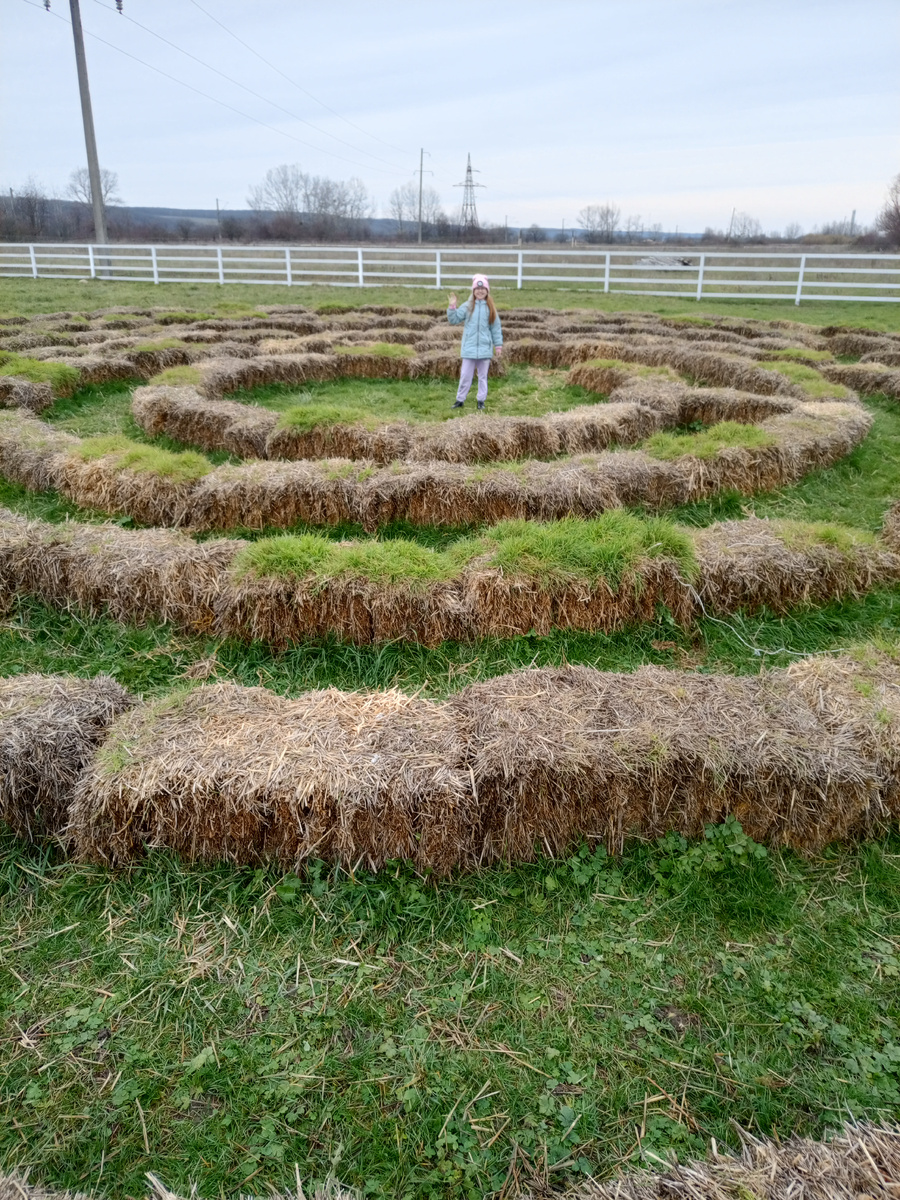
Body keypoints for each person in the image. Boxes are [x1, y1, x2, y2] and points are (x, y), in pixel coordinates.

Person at [447, 274, 503, 411]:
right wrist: (452, 306)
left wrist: (498, 345)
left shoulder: (490, 309)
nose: (480, 291)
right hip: (469, 349)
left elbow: (495, 328)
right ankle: (460, 400)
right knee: (465, 376)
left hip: (485, 350)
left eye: (483, 288)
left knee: (483, 377)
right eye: (477, 289)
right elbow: (453, 320)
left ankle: (481, 401)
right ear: (473, 291)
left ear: (487, 291)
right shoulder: (467, 306)